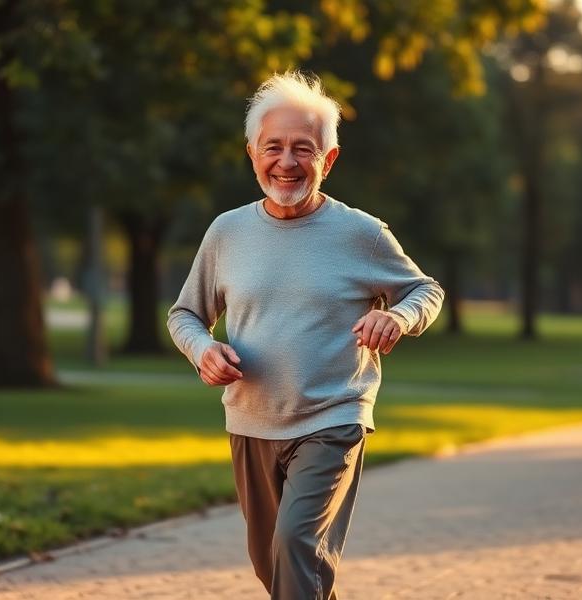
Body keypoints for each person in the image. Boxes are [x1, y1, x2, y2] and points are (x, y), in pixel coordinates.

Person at [167, 71, 444, 600]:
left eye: (303, 148)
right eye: (274, 147)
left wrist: (399, 318)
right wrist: (203, 349)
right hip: (251, 419)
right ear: (252, 152)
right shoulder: (227, 232)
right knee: (277, 564)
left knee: (295, 544)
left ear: (329, 159)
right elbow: (185, 314)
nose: (287, 162)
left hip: (333, 418)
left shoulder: (361, 233)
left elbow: (425, 290)